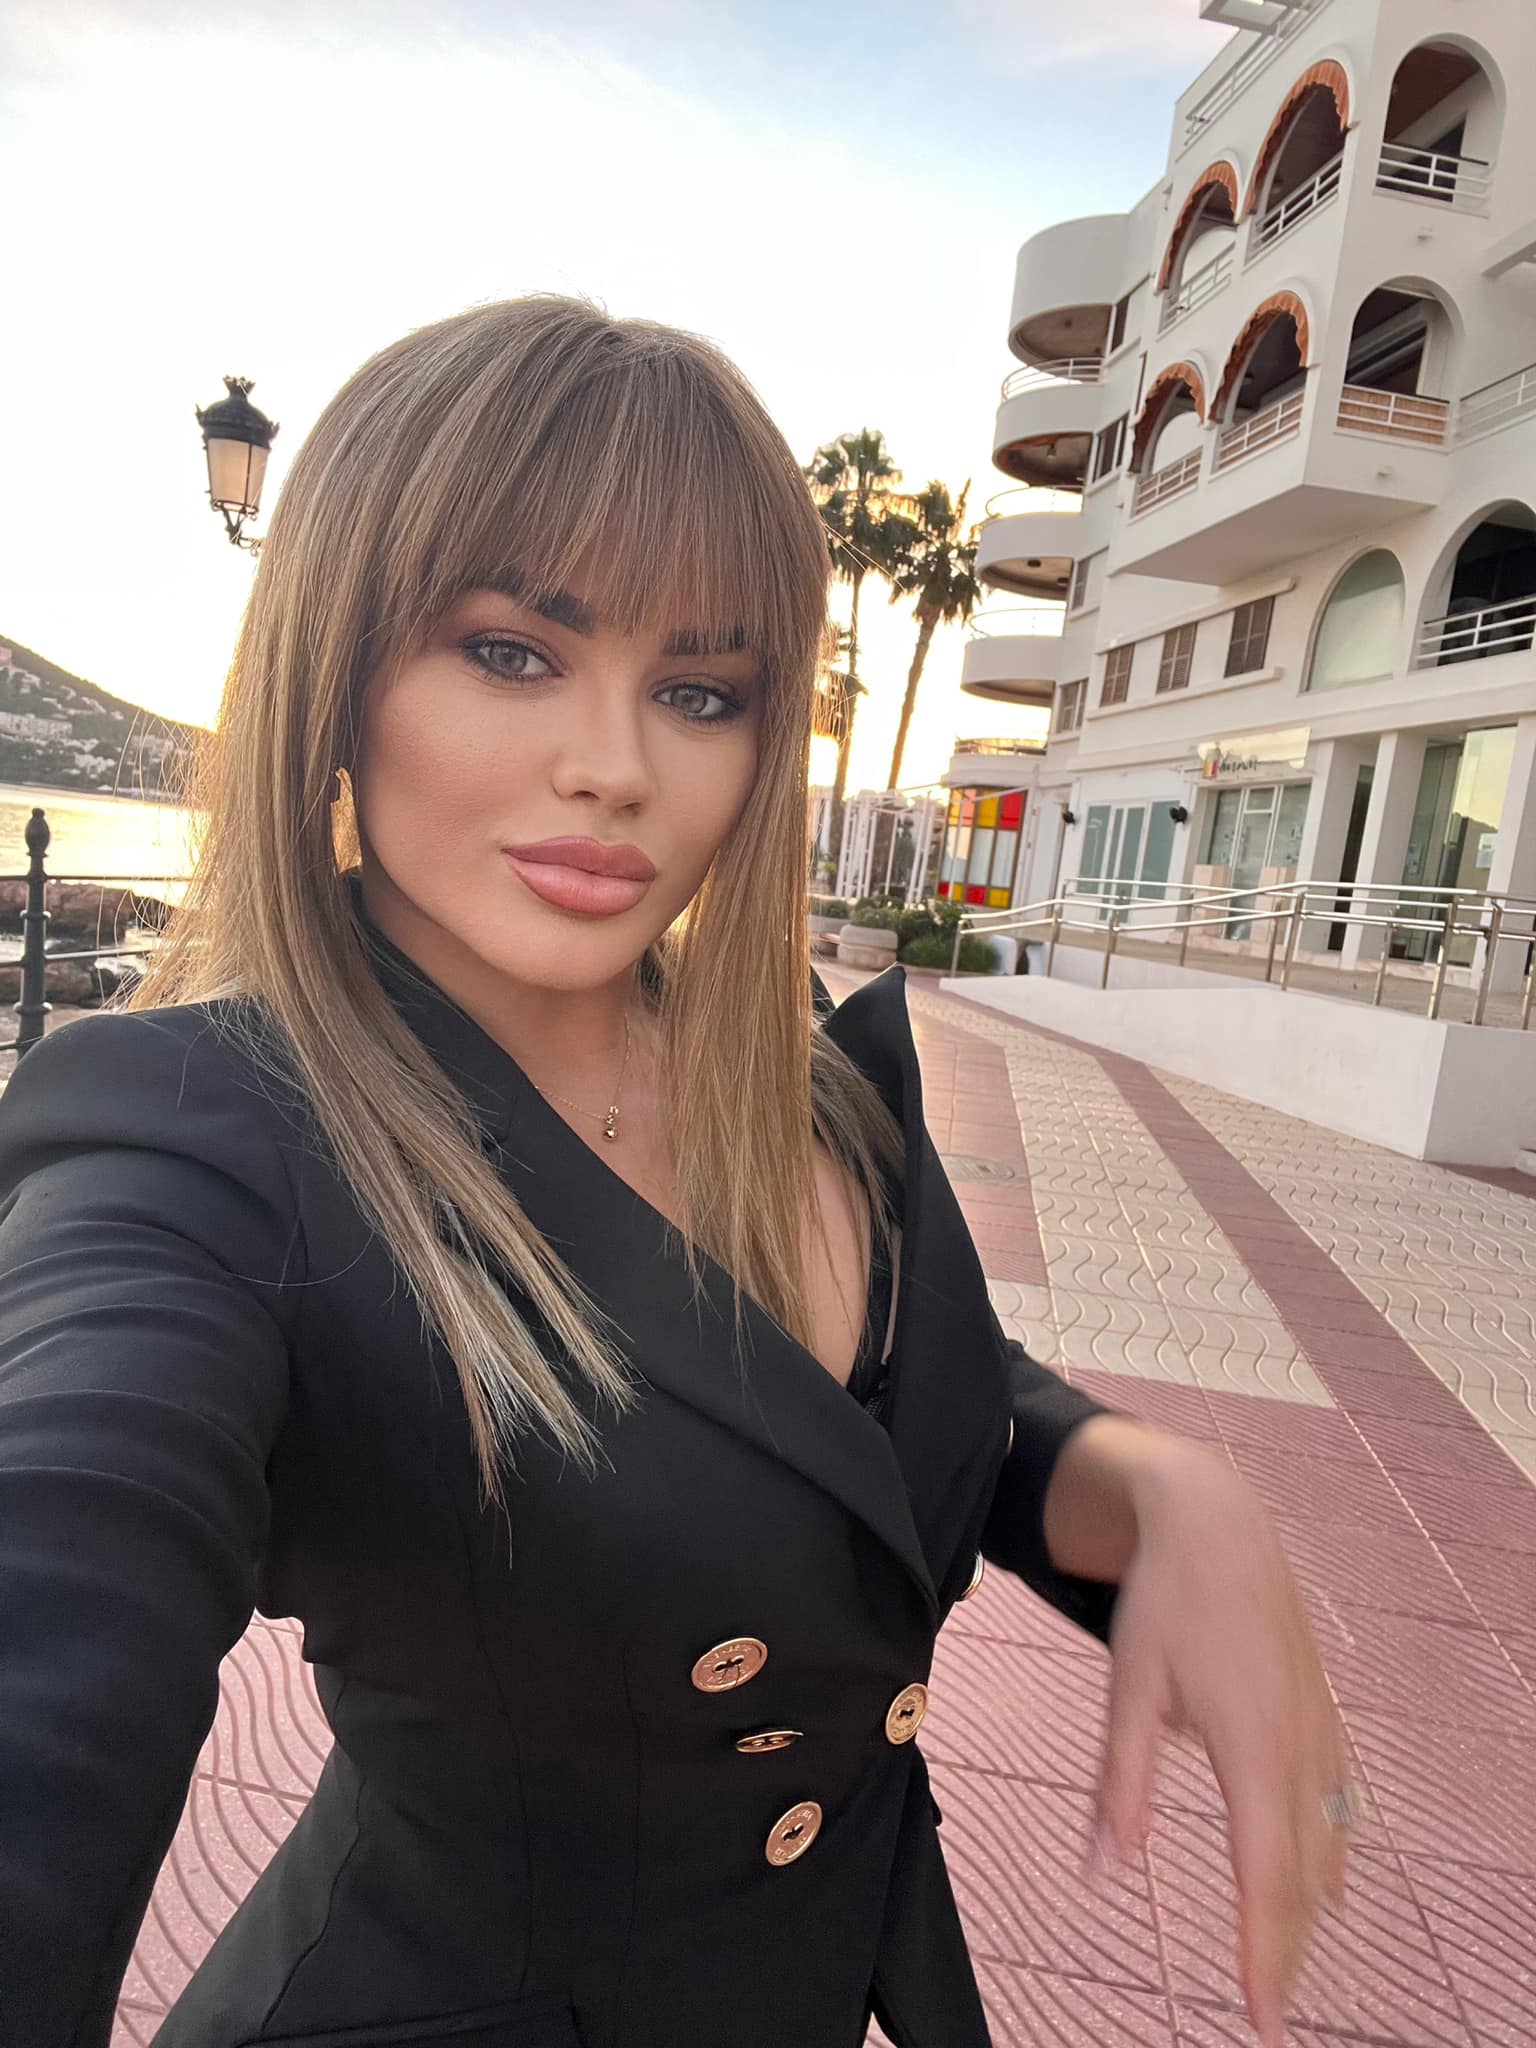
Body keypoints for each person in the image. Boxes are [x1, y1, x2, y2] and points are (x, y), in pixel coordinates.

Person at [0, 296, 1355, 2048]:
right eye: (511, 653)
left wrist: (1150, 1485)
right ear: (336, 672)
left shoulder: (804, 1079)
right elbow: (65, 1572)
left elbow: (879, 1417)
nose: (616, 767)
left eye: (700, 693)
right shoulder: (204, 1143)